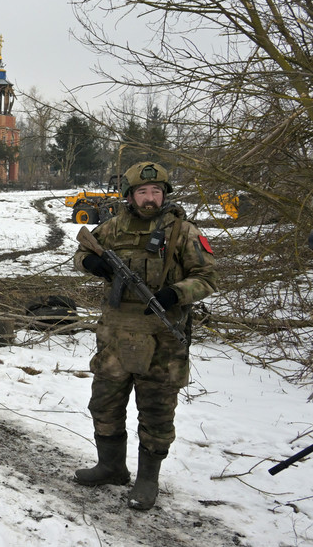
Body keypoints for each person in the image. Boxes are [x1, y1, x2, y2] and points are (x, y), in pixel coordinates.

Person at [72, 162, 218, 511]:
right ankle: (111, 466)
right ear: (130, 196)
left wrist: (175, 294)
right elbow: (81, 252)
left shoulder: (184, 232)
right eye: (142, 192)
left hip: (161, 340)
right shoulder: (112, 227)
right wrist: (90, 264)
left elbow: (207, 278)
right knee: (104, 404)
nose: (150, 198)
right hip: (114, 337)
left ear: (165, 194)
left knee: (155, 413)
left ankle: (147, 479)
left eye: (156, 192)